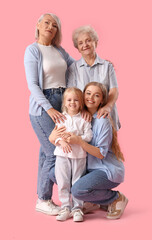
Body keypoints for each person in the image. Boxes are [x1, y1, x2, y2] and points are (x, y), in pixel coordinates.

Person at [49, 82, 128, 219]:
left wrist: (78, 141)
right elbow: (56, 135)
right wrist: (53, 137)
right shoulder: (79, 116)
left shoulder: (102, 121)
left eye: (96, 95)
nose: (91, 97)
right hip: (88, 165)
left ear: (101, 100)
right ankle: (89, 201)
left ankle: (115, 198)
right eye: (88, 93)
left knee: (77, 189)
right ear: (83, 96)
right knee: (54, 173)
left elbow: (101, 154)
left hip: (105, 169)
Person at [24, 13, 74, 216]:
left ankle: (43, 198)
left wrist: (100, 64)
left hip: (62, 102)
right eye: (47, 22)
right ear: (38, 24)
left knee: (46, 152)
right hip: (42, 106)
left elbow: (75, 66)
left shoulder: (59, 50)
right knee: (55, 150)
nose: (51, 27)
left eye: (55, 25)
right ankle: (47, 199)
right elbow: (33, 85)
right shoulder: (32, 50)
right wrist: (49, 108)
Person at [67, 25, 120, 130]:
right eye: (80, 43)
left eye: (88, 40)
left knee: (108, 145)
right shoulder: (73, 68)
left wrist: (107, 107)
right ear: (77, 48)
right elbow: (71, 93)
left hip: (106, 115)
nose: (85, 45)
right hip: (84, 118)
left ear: (96, 42)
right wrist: (82, 110)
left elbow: (114, 90)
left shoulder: (107, 66)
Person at [53, 87, 92, 222]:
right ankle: (65, 207)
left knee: (76, 182)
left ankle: (77, 208)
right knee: (62, 181)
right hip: (62, 155)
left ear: (81, 103)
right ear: (64, 102)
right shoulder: (60, 118)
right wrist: (61, 142)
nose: (72, 102)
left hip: (79, 156)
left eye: (76, 100)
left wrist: (77, 138)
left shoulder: (84, 119)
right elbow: (55, 136)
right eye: (69, 100)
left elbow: (89, 135)